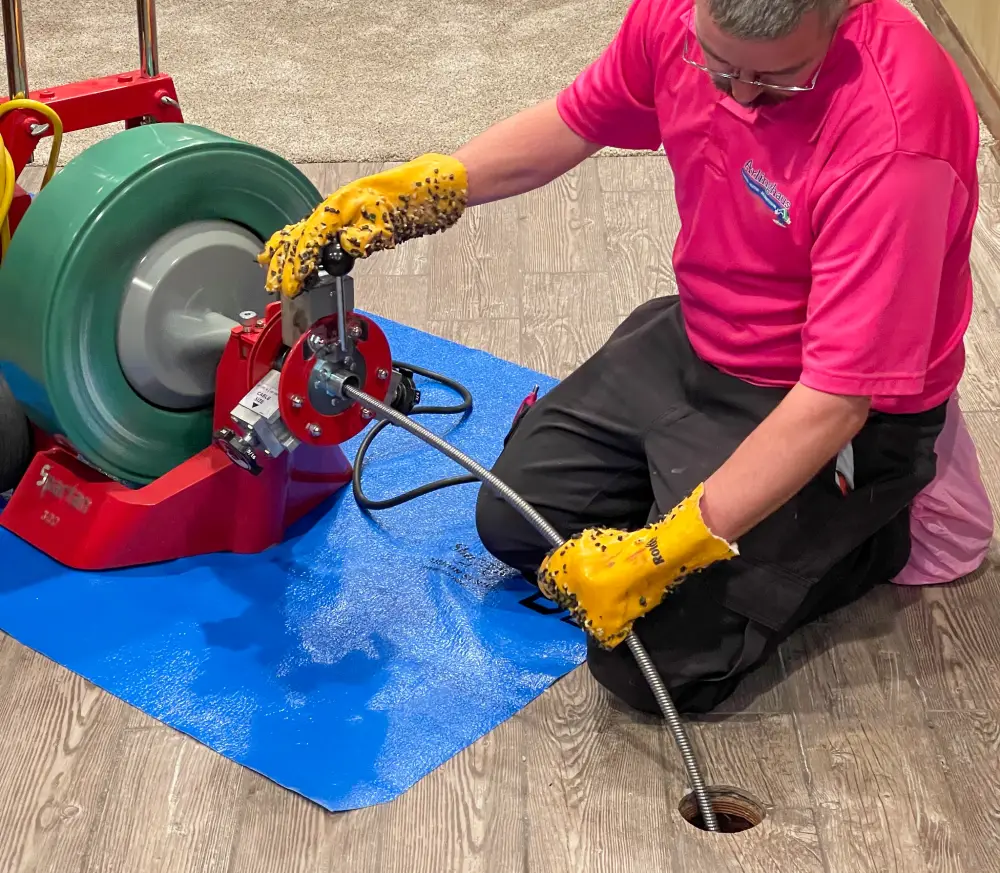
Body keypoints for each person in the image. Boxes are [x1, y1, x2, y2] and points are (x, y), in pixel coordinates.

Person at [258, 0, 995, 714]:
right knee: (514, 526)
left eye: (777, 79)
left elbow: (835, 399)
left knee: (652, 664)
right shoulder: (673, 16)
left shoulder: (896, 136)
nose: (739, 96)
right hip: (699, 334)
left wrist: (668, 549)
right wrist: (411, 195)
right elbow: (574, 121)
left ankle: (878, 524)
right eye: (718, 65)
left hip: (827, 406)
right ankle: (701, 492)